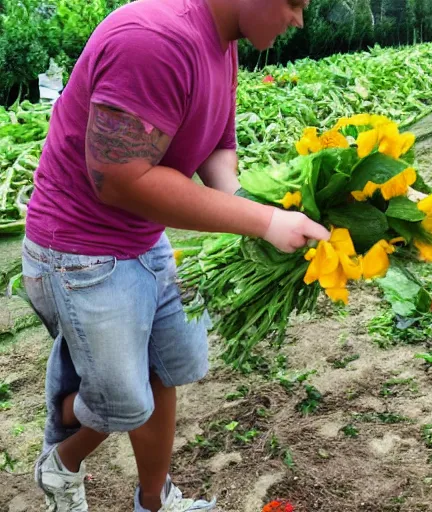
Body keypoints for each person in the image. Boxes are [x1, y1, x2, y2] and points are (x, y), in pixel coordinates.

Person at [22, 0, 328, 510]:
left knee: (172, 363)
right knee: (123, 400)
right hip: (79, 251)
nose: (299, 19)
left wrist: (242, 202)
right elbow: (117, 181)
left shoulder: (222, 43)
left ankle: (155, 501)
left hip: (144, 238)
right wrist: (266, 222)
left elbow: (216, 140)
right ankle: (63, 455)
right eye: (294, 3)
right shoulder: (154, 40)